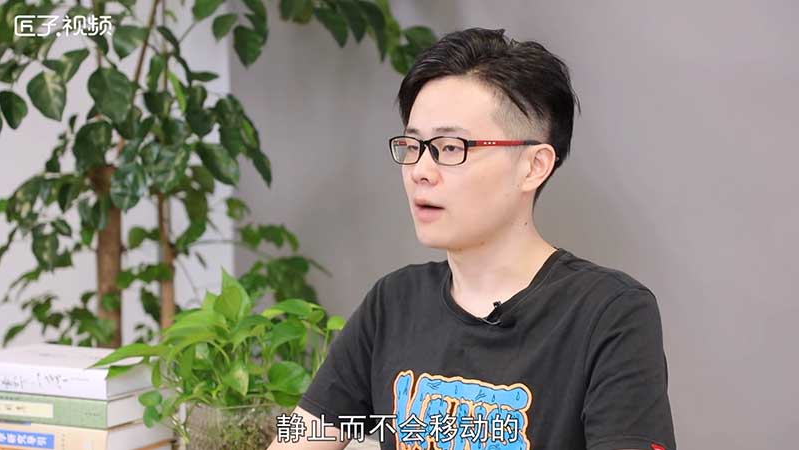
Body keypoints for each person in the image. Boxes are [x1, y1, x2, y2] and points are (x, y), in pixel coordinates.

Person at [268, 27, 676, 450]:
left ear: (533, 165)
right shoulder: (394, 303)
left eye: (449, 147)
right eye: (412, 146)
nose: (420, 171)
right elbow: (304, 436)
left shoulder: (609, 312)